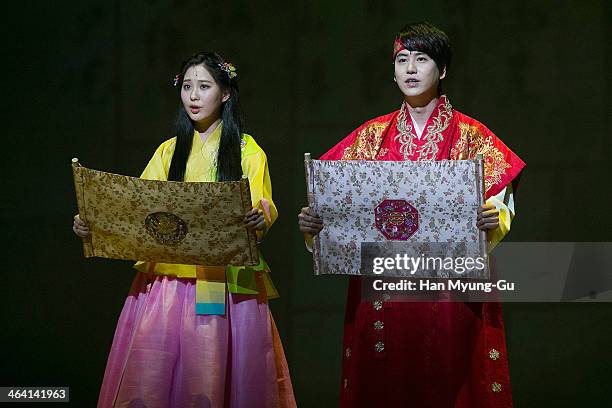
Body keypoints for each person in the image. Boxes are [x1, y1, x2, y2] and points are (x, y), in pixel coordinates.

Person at [298, 22, 525, 407]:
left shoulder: (473, 136)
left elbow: (499, 204)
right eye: (402, 60)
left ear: (443, 70)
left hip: (451, 287)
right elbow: (334, 205)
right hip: (384, 285)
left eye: (422, 59)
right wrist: (315, 226)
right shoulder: (371, 137)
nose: (411, 69)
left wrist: (494, 217)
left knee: (453, 378)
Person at [74, 52, 296, 408]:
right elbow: (137, 206)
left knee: (214, 377)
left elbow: (261, 203)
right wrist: (95, 224)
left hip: (223, 280)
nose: (193, 95)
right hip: (168, 281)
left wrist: (259, 217)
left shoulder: (246, 151)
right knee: (153, 379)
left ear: (225, 93)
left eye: (204, 86)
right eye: (187, 86)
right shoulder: (169, 152)